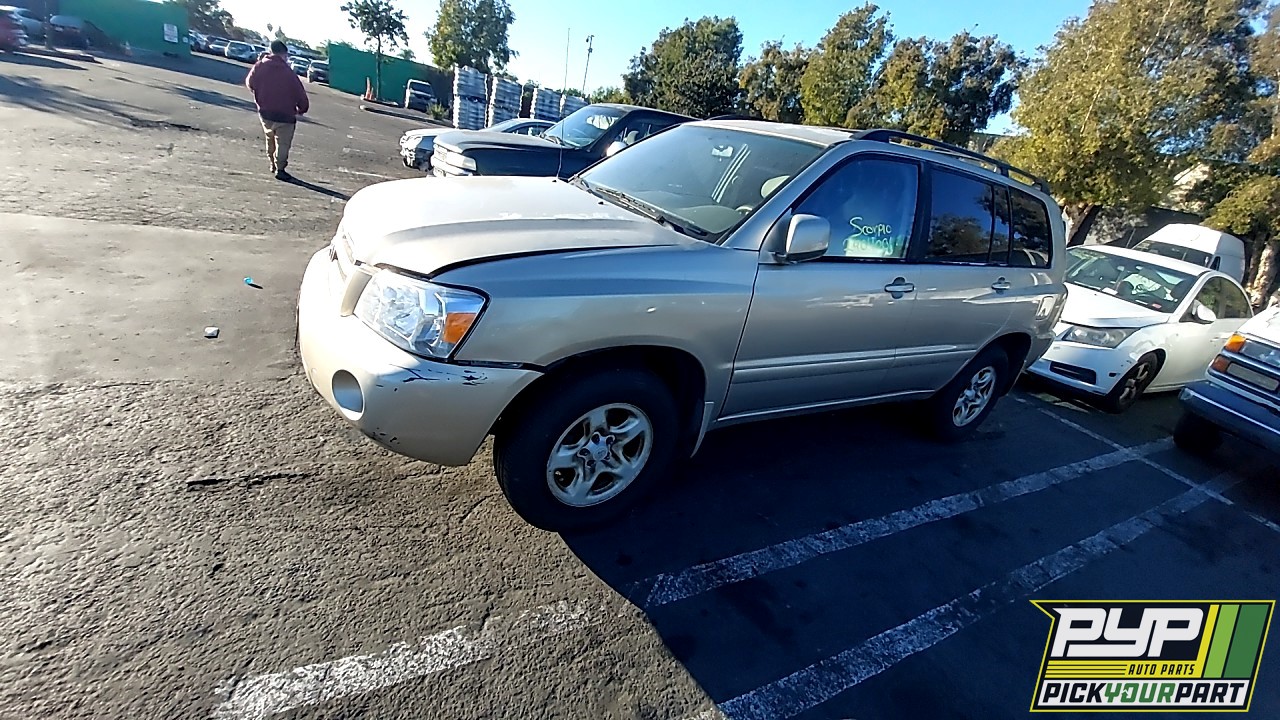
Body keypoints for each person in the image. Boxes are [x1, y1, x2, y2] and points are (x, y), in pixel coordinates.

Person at [245, 40, 310, 180]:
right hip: (286, 115)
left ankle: (272, 164)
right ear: (284, 54)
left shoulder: (259, 66)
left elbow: (250, 83)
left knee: (270, 138)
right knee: (283, 143)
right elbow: (300, 94)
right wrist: (302, 109)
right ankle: (280, 168)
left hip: (265, 112)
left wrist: (261, 95)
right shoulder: (289, 73)